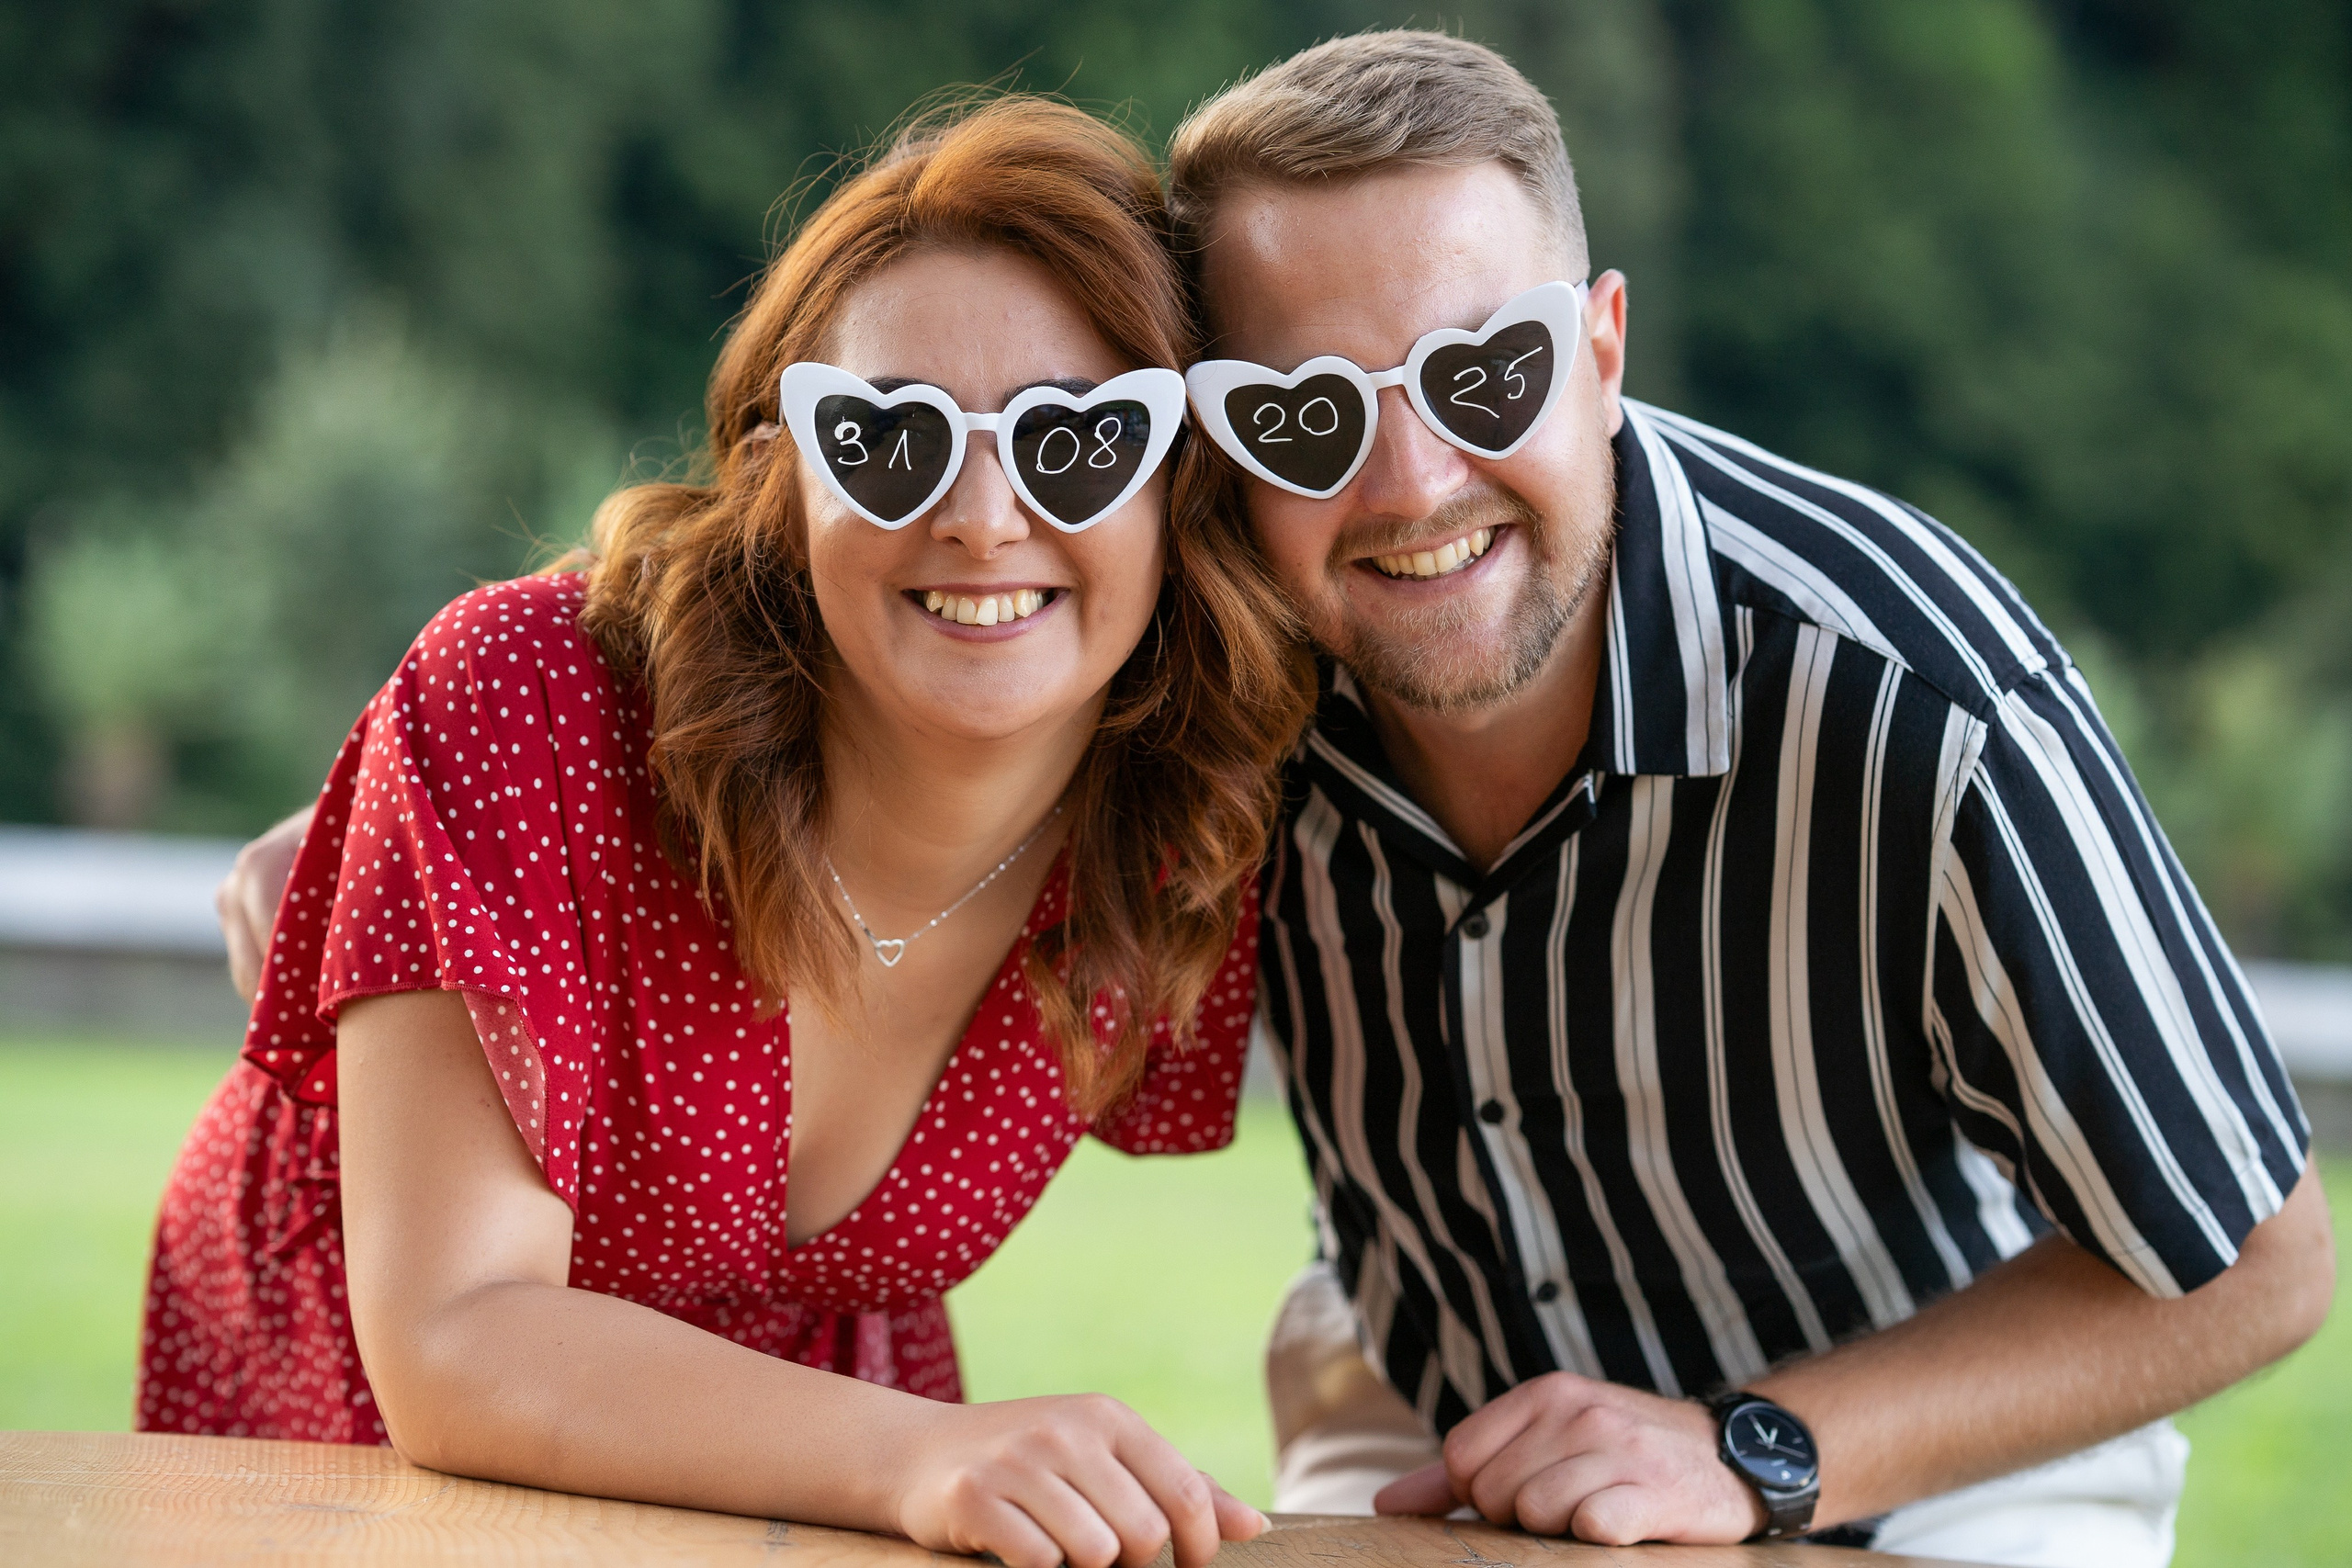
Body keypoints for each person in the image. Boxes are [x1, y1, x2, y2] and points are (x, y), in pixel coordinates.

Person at [1159, 30, 2334, 1567]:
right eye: (1304, 415)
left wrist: (1751, 1448)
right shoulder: (1209, 683)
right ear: (1215, 435)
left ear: (1600, 346)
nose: (1412, 481)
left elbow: (2260, 1256)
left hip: (1933, 1438)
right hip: (1436, 1411)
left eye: (1486, 371)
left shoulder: (1917, 689)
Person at [144, 96, 1306, 1568]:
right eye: (887, 439)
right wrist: (920, 1458)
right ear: (782, 477)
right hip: (377, 1406)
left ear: (1180, 484)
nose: (982, 510)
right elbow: (453, 1339)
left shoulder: (1192, 817)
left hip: (822, 1436)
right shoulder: (521, 696)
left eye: (1082, 439)